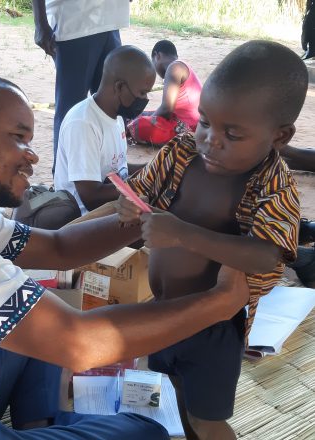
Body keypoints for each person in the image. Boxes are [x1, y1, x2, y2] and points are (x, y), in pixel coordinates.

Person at [0, 71, 249, 440]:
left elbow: (60, 247)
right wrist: (219, 303)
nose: (33, 155)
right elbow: (77, 343)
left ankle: (38, 423)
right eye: (18, 138)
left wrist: (154, 211)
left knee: (34, 311)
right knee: (143, 433)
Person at [118, 40, 307, 440]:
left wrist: (183, 234)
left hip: (215, 327)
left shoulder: (275, 186)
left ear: (279, 136)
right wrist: (128, 205)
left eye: (232, 134)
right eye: (205, 121)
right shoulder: (183, 151)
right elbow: (140, 191)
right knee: (177, 398)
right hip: (163, 310)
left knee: (208, 420)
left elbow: (263, 256)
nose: (210, 140)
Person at [32, 0, 131, 174]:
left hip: (110, 19)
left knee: (114, 104)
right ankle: (65, 182)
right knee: (70, 108)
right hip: (74, 22)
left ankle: (109, 172)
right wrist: (40, 22)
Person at [54, 45, 154, 215]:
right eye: (142, 93)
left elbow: (116, 167)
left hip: (106, 206)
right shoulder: (83, 123)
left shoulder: (116, 116)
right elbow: (91, 197)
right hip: (81, 218)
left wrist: (153, 168)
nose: (145, 100)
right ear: (120, 87)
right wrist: (143, 185)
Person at [127, 39, 202, 146]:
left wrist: (148, 120)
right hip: (190, 124)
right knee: (141, 114)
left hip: (189, 130)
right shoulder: (180, 66)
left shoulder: (174, 68)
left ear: (157, 55)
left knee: (138, 125)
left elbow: (167, 109)